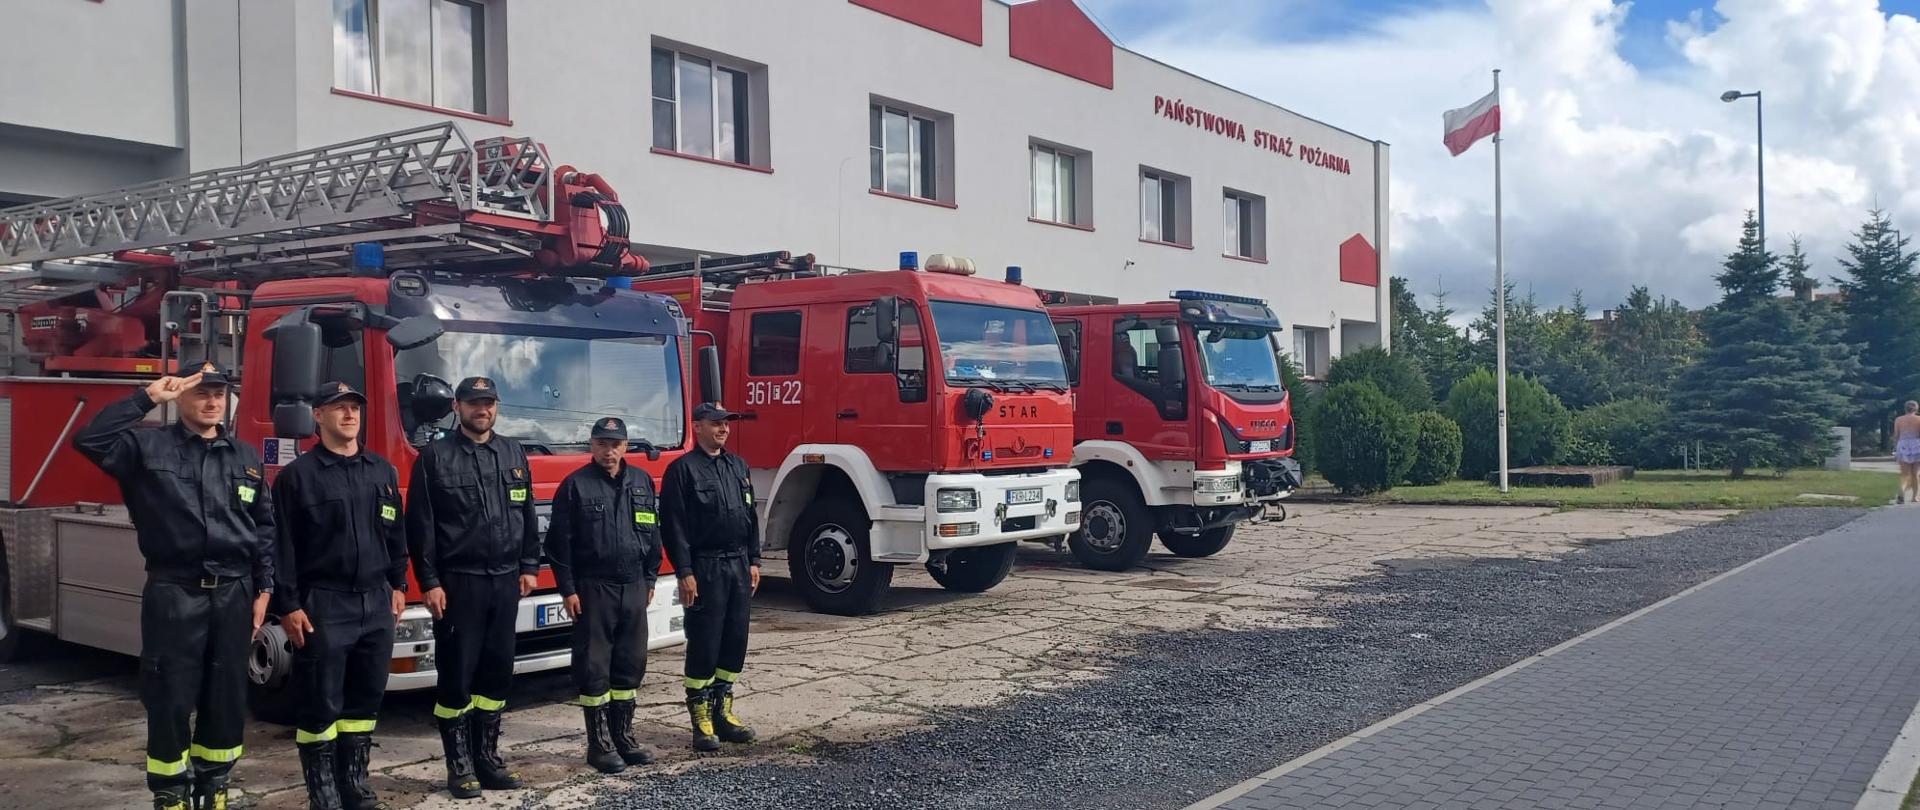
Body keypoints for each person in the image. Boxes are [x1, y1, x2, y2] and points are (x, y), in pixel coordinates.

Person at [72, 363, 274, 810]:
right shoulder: (146, 449)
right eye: (201, 392)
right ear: (179, 397)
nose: (212, 401)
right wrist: (147, 397)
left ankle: (214, 786)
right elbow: (88, 440)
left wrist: (265, 589)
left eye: (219, 393)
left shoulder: (244, 456)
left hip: (235, 592)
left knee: (225, 695)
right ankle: (170, 793)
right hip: (175, 590)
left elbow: (263, 527)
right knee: (170, 694)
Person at [271, 382, 408, 810]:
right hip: (324, 604)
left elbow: (395, 533)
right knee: (321, 703)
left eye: (354, 408)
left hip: (375, 600)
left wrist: (399, 584)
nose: (349, 415)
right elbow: (282, 547)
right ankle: (323, 792)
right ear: (318, 416)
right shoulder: (298, 477)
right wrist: (288, 605)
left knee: (366, 698)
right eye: (338, 408)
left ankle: (354, 782)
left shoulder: (382, 471)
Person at [405, 376, 539, 799]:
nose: (482, 410)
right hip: (459, 583)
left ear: (496, 407)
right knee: (457, 676)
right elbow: (421, 526)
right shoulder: (435, 457)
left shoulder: (513, 452)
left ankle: (487, 757)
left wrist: (530, 565)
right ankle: (459, 764)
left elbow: (528, 514)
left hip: (504, 580)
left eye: (489, 403)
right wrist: (429, 582)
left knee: (497, 672)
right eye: (474, 403)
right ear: (458, 407)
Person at [548, 417, 662, 773]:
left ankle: (624, 738)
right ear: (591, 446)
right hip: (593, 588)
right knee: (595, 668)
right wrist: (568, 590)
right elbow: (558, 546)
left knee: (630, 665)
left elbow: (653, 535)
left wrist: (651, 579)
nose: (608, 451)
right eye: (601, 444)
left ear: (626, 446)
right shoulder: (574, 486)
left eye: (615, 444)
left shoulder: (641, 482)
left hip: (633, 587)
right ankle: (599, 746)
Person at [660, 402, 760, 751]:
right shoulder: (682, 470)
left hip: (737, 565)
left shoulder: (738, 466)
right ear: (697, 426)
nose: (723, 429)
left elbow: (751, 516)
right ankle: (700, 719)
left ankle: (723, 712)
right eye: (715, 423)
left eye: (726, 423)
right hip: (705, 567)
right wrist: (684, 572)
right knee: (704, 641)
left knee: (735, 640)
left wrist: (755, 559)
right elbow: (674, 528)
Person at [1896, 400, 1920, 504]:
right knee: (1915, 474)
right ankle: (1915, 497)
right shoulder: (1919, 419)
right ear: (1916, 409)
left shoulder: (1898, 419)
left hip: (1903, 444)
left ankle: (1901, 493)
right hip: (1916, 445)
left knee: (1905, 474)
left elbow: (1896, 435)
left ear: (1905, 408)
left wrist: (1895, 448)